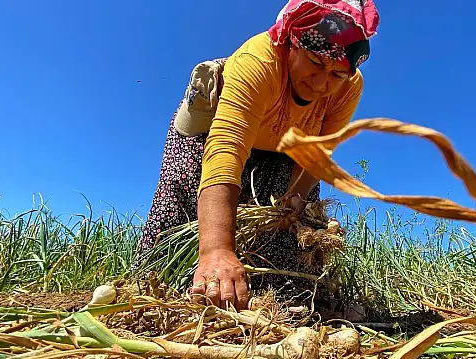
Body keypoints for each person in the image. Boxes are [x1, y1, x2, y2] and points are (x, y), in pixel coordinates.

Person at [131, 0, 380, 311]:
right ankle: (159, 287)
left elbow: (318, 151)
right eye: (315, 63)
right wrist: (216, 250)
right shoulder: (259, 61)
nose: (321, 83)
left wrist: (291, 208)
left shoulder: (348, 88)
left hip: (287, 146)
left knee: (291, 227)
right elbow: (226, 148)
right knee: (183, 200)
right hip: (211, 132)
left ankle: (279, 293)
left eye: (336, 74)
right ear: (292, 43)